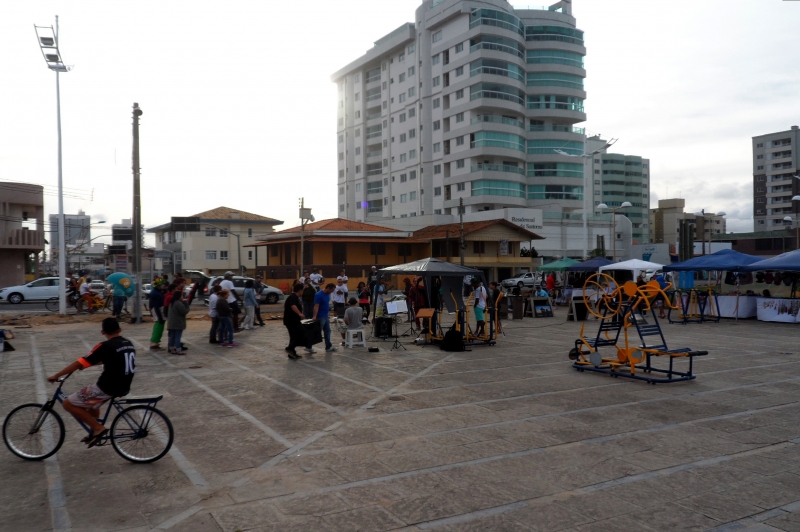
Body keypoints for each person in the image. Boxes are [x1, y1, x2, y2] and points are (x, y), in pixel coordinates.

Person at [46, 318, 136, 447]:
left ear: (103, 332)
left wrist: (57, 375)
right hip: (124, 385)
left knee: (67, 404)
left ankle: (98, 428)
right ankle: (94, 430)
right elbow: (111, 359)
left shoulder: (105, 346)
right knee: (91, 403)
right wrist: (89, 364)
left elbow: (79, 362)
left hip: (107, 387)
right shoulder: (128, 343)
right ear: (120, 330)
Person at [284, 283, 316, 359]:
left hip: (293, 320)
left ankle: (292, 353)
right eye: (303, 290)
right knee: (302, 334)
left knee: (293, 336)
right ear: (300, 290)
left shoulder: (295, 297)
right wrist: (300, 314)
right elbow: (293, 306)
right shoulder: (293, 297)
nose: (303, 292)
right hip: (291, 321)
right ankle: (289, 348)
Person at [313, 283, 337, 352]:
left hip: (325, 316)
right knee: (317, 333)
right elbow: (316, 306)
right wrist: (314, 316)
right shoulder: (319, 295)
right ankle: (308, 346)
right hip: (320, 316)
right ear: (328, 288)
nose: (332, 292)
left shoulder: (328, 295)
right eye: (332, 290)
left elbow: (326, 304)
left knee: (328, 331)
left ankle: (328, 346)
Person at [167, 289, 189, 355]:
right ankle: (179, 350)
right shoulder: (178, 304)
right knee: (177, 337)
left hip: (171, 323)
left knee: (172, 337)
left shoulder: (172, 303)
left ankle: (172, 349)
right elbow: (184, 311)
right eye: (182, 295)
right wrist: (186, 303)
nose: (182, 296)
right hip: (178, 323)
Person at [149, 281, 166, 350]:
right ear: (157, 286)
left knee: (159, 328)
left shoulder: (157, 292)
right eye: (160, 285)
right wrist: (160, 317)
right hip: (158, 311)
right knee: (158, 328)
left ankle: (156, 342)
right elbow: (156, 306)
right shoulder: (155, 294)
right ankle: (154, 343)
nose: (162, 286)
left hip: (159, 311)